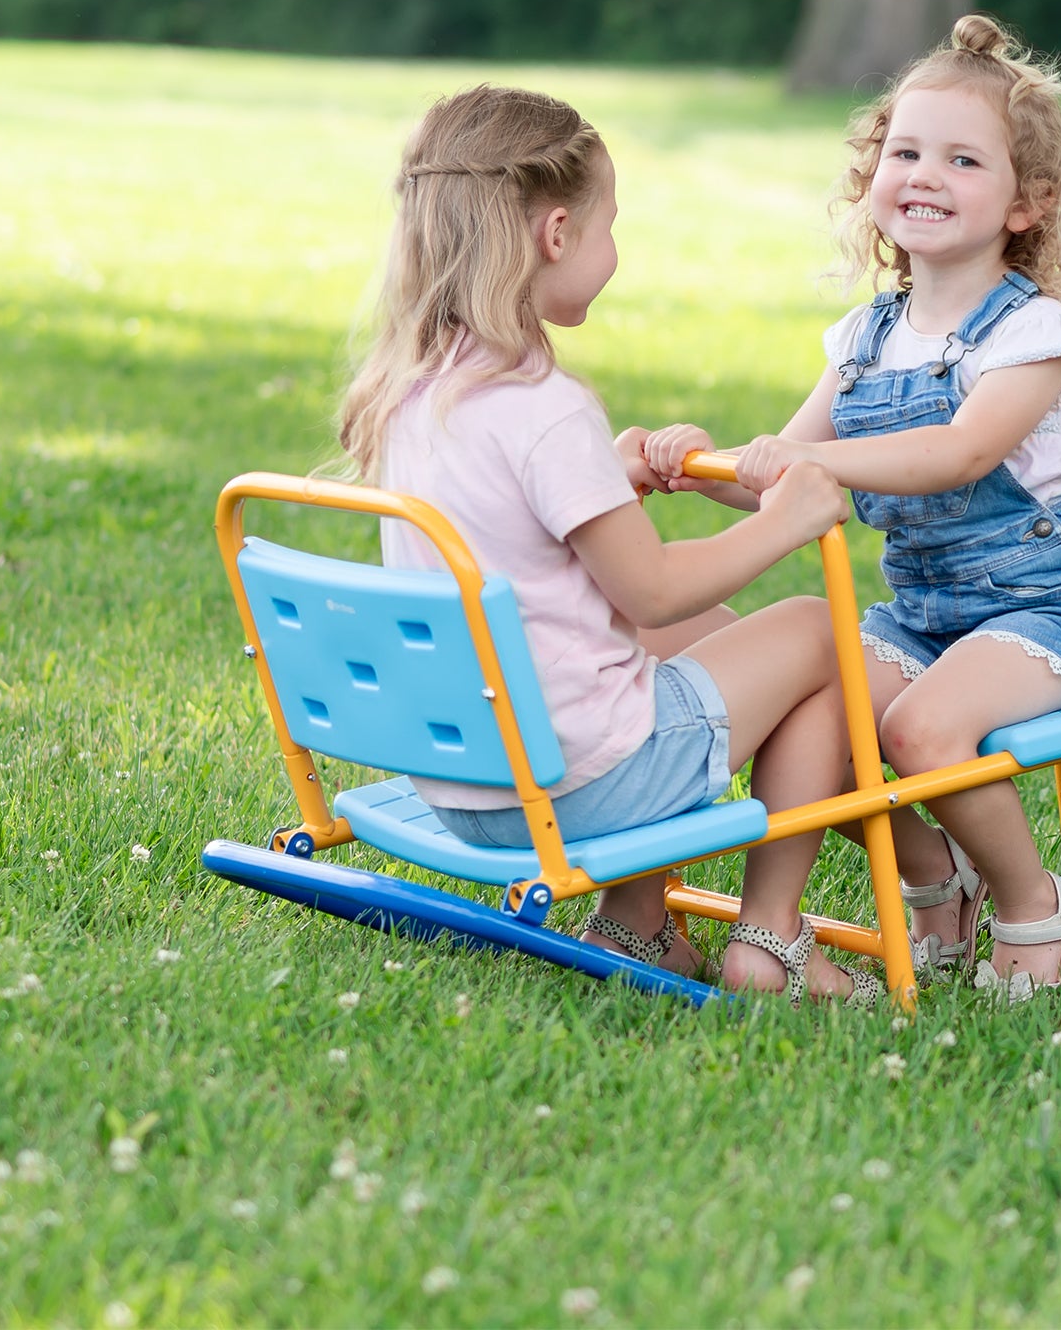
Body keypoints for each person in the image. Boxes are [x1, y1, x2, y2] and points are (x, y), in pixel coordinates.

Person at [338, 83, 879, 1006]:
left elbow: (523, 534)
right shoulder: (544, 408)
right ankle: (771, 940)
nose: (613, 249)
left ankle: (639, 927)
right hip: (574, 787)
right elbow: (650, 591)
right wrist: (781, 522)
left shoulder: (414, 391)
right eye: (608, 226)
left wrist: (610, 476)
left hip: (464, 781)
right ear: (556, 234)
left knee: (710, 633)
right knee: (815, 633)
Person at [646, 16, 1061, 999]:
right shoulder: (865, 336)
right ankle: (931, 880)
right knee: (820, 709)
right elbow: (770, 470)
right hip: (924, 614)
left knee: (914, 730)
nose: (924, 174)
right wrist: (682, 459)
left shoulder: (1034, 332)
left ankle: (1034, 902)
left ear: (1026, 203)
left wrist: (809, 455)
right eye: (905, 151)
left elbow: (963, 449)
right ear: (872, 171)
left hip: (1043, 614)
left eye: (961, 158)